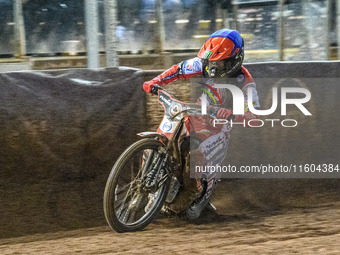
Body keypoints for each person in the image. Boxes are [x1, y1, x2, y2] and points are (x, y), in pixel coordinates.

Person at [143, 28, 260, 215]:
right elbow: (178, 70)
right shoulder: (204, 63)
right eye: (210, 63)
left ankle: (195, 191)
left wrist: (231, 114)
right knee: (161, 140)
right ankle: (152, 193)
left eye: (219, 64)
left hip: (219, 130)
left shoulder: (246, 83)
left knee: (196, 158)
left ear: (234, 61)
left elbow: (254, 118)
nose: (212, 68)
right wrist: (156, 81)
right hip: (196, 115)